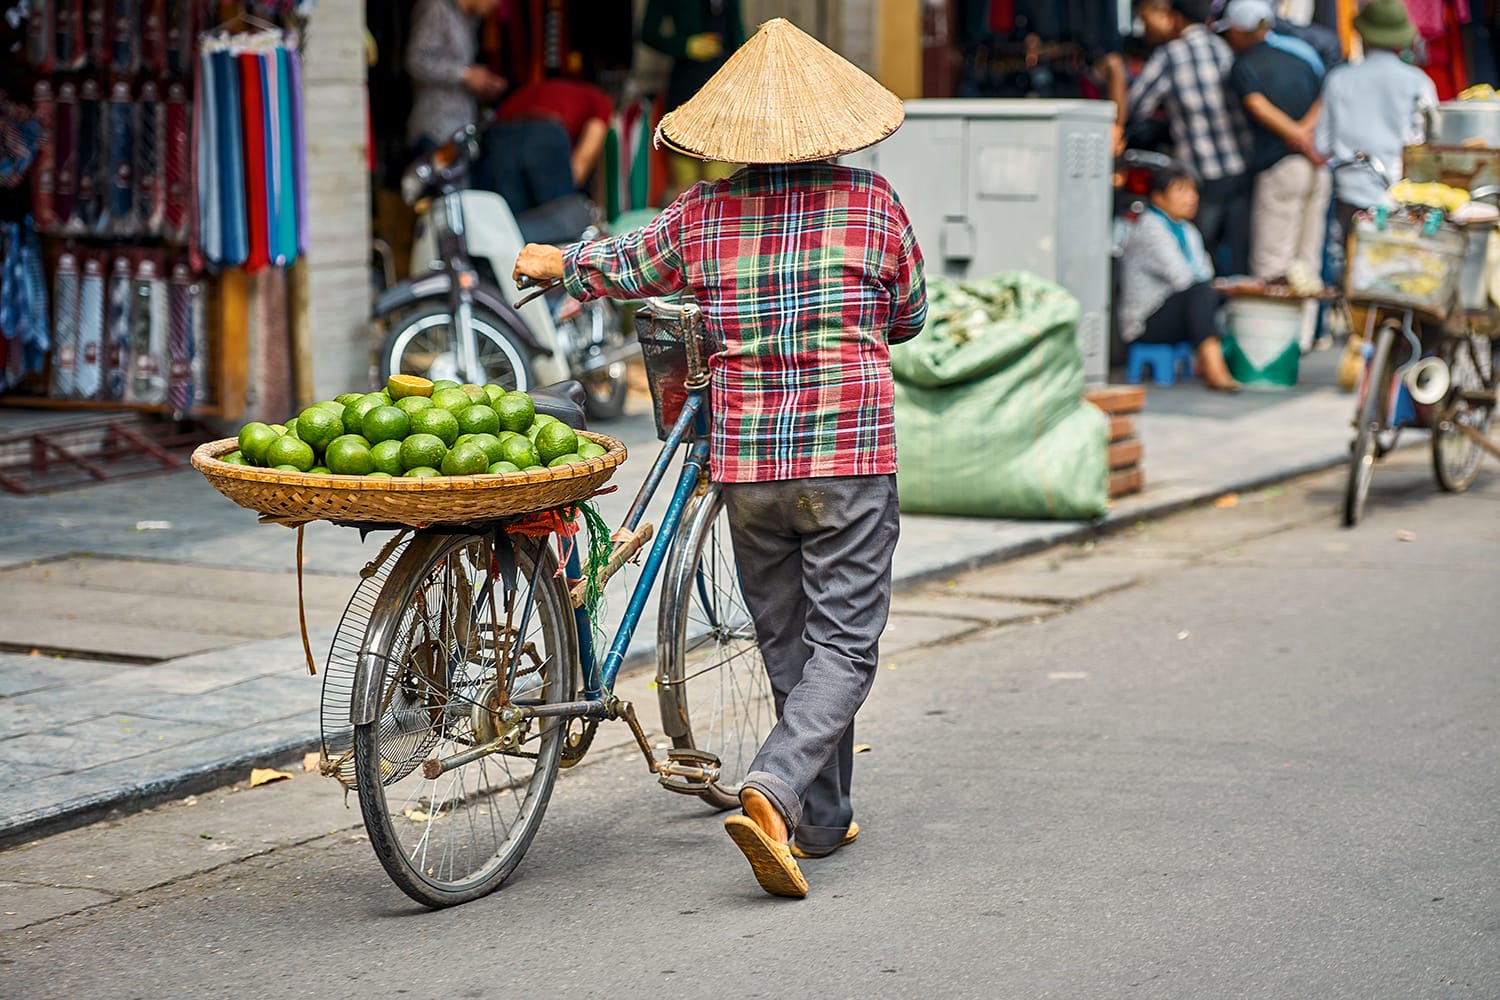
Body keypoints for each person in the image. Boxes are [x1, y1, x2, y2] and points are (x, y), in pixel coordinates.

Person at [513, 18, 926, 900]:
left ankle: (819, 818)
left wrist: (562, 264)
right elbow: (910, 313)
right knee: (845, 645)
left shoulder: (702, 214)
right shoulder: (873, 205)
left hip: (747, 469)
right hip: (847, 456)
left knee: (788, 640)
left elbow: (624, 264)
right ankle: (774, 793)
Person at [1314, 0, 1437, 387]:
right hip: (1404, 197)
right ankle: (1404, 348)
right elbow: (1429, 142)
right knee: (1410, 279)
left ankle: (1359, 338)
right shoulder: (1417, 81)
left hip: (1354, 194)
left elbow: (1323, 143)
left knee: (1358, 275)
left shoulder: (1339, 80)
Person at [1221, 0, 1329, 351]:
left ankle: (1273, 344)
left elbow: (1256, 105)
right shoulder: (1303, 53)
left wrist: (1295, 135)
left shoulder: (1244, 64)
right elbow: (1325, 98)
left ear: (1239, 29)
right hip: (1317, 166)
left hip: (1282, 168)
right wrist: (1307, 135)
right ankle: (1303, 338)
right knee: (1307, 257)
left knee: (1273, 260)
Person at [1128, 0, 1253, 276]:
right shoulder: (1224, 48)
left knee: (1195, 261)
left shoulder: (1171, 54)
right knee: (1237, 263)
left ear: (1174, 17)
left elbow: (1136, 105)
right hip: (1241, 168)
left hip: (1200, 175)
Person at [1117, 163, 1240, 391]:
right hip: (1146, 323)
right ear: (1158, 197)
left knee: (1221, 293)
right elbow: (1182, 278)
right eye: (1181, 191)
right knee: (1201, 291)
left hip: (1183, 307)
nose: (1192, 198)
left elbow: (1205, 273)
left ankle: (1214, 358)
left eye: (1193, 191)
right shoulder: (1149, 228)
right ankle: (1213, 365)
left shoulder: (1188, 230)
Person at [639, 0, 745, 199]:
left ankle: (718, 225)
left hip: (722, 89)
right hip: (686, 88)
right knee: (686, 185)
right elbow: (648, 33)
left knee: (720, 182)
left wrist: (742, 76)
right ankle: (687, 225)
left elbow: (737, 33)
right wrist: (685, 45)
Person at [404, 0, 506, 156]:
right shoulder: (437, 7)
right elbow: (417, 60)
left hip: (461, 128)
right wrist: (465, 74)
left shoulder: (469, 19)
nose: (496, 5)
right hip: (434, 126)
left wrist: (481, 84)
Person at [496, 76, 615, 192]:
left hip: (498, 133)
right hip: (543, 131)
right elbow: (585, 155)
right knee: (559, 207)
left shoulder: (557, 89)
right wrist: (569, 186)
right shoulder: (602, 102)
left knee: (508, 208)